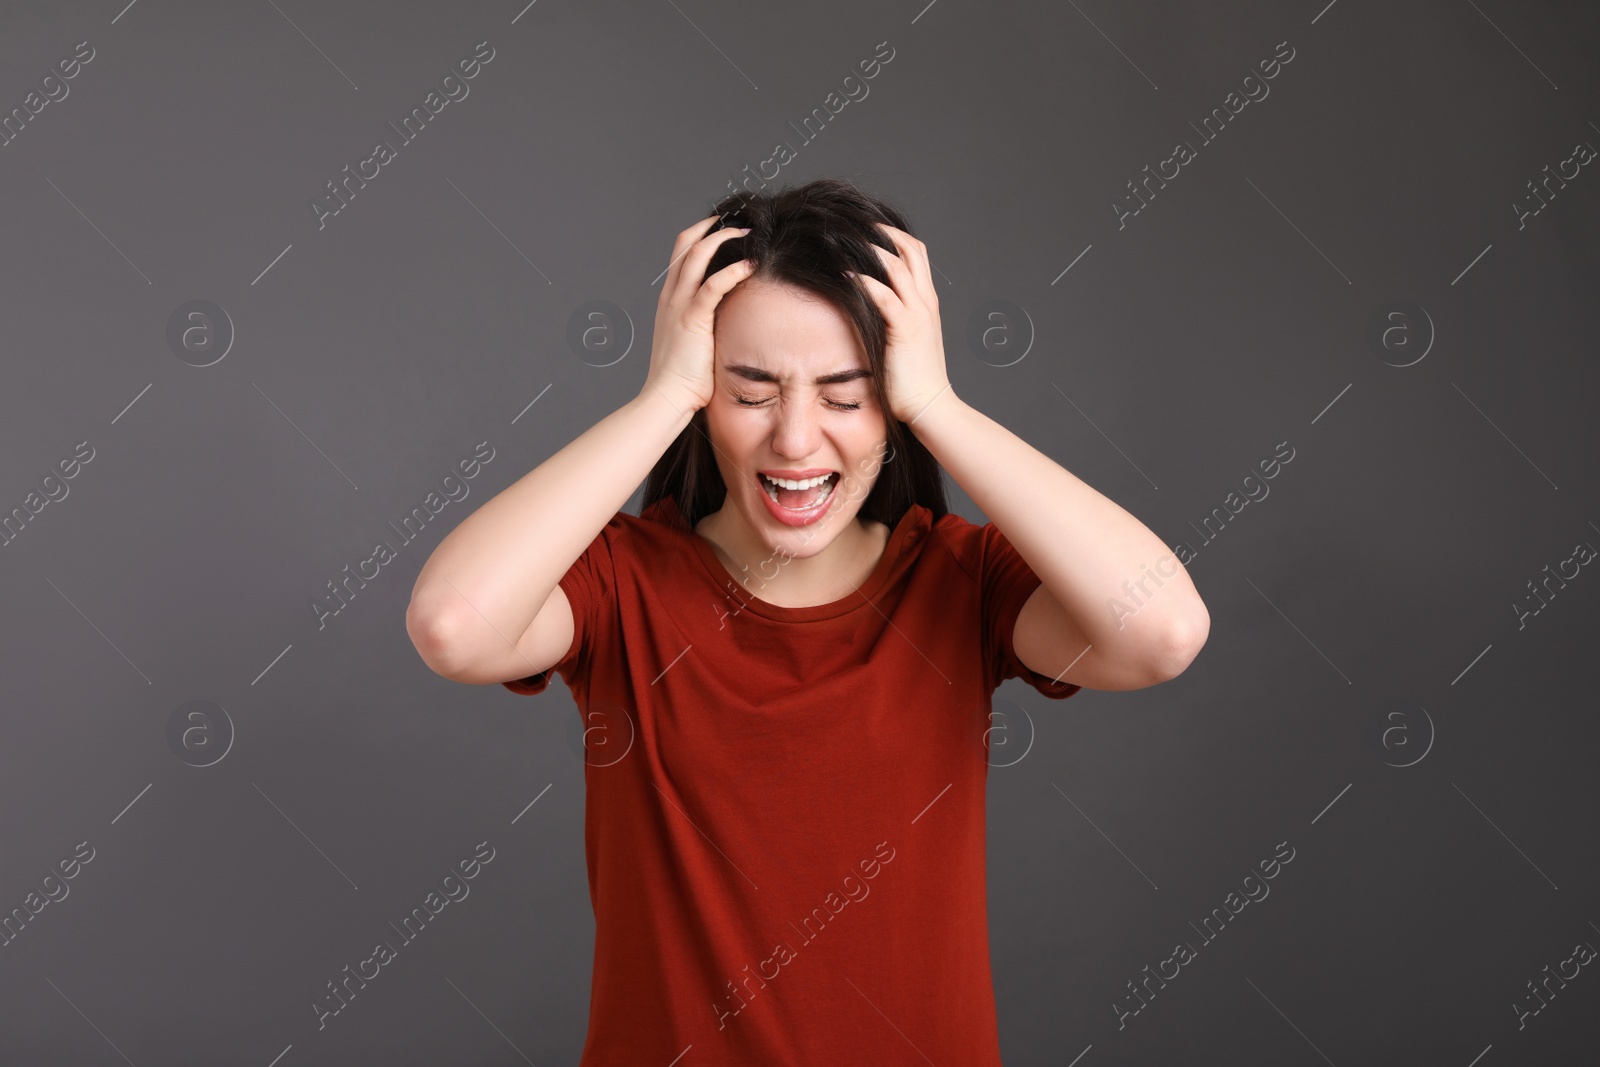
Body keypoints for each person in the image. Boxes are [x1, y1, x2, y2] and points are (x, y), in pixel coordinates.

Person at [405, 178, 1209, 1064]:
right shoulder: (622, 580)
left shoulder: (958, 582)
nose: (794, 440)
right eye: (749, 390)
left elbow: (1162, 631)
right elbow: (454, 624)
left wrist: (939, 406)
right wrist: (660, 397)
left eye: (845, 393)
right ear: (704, 393)